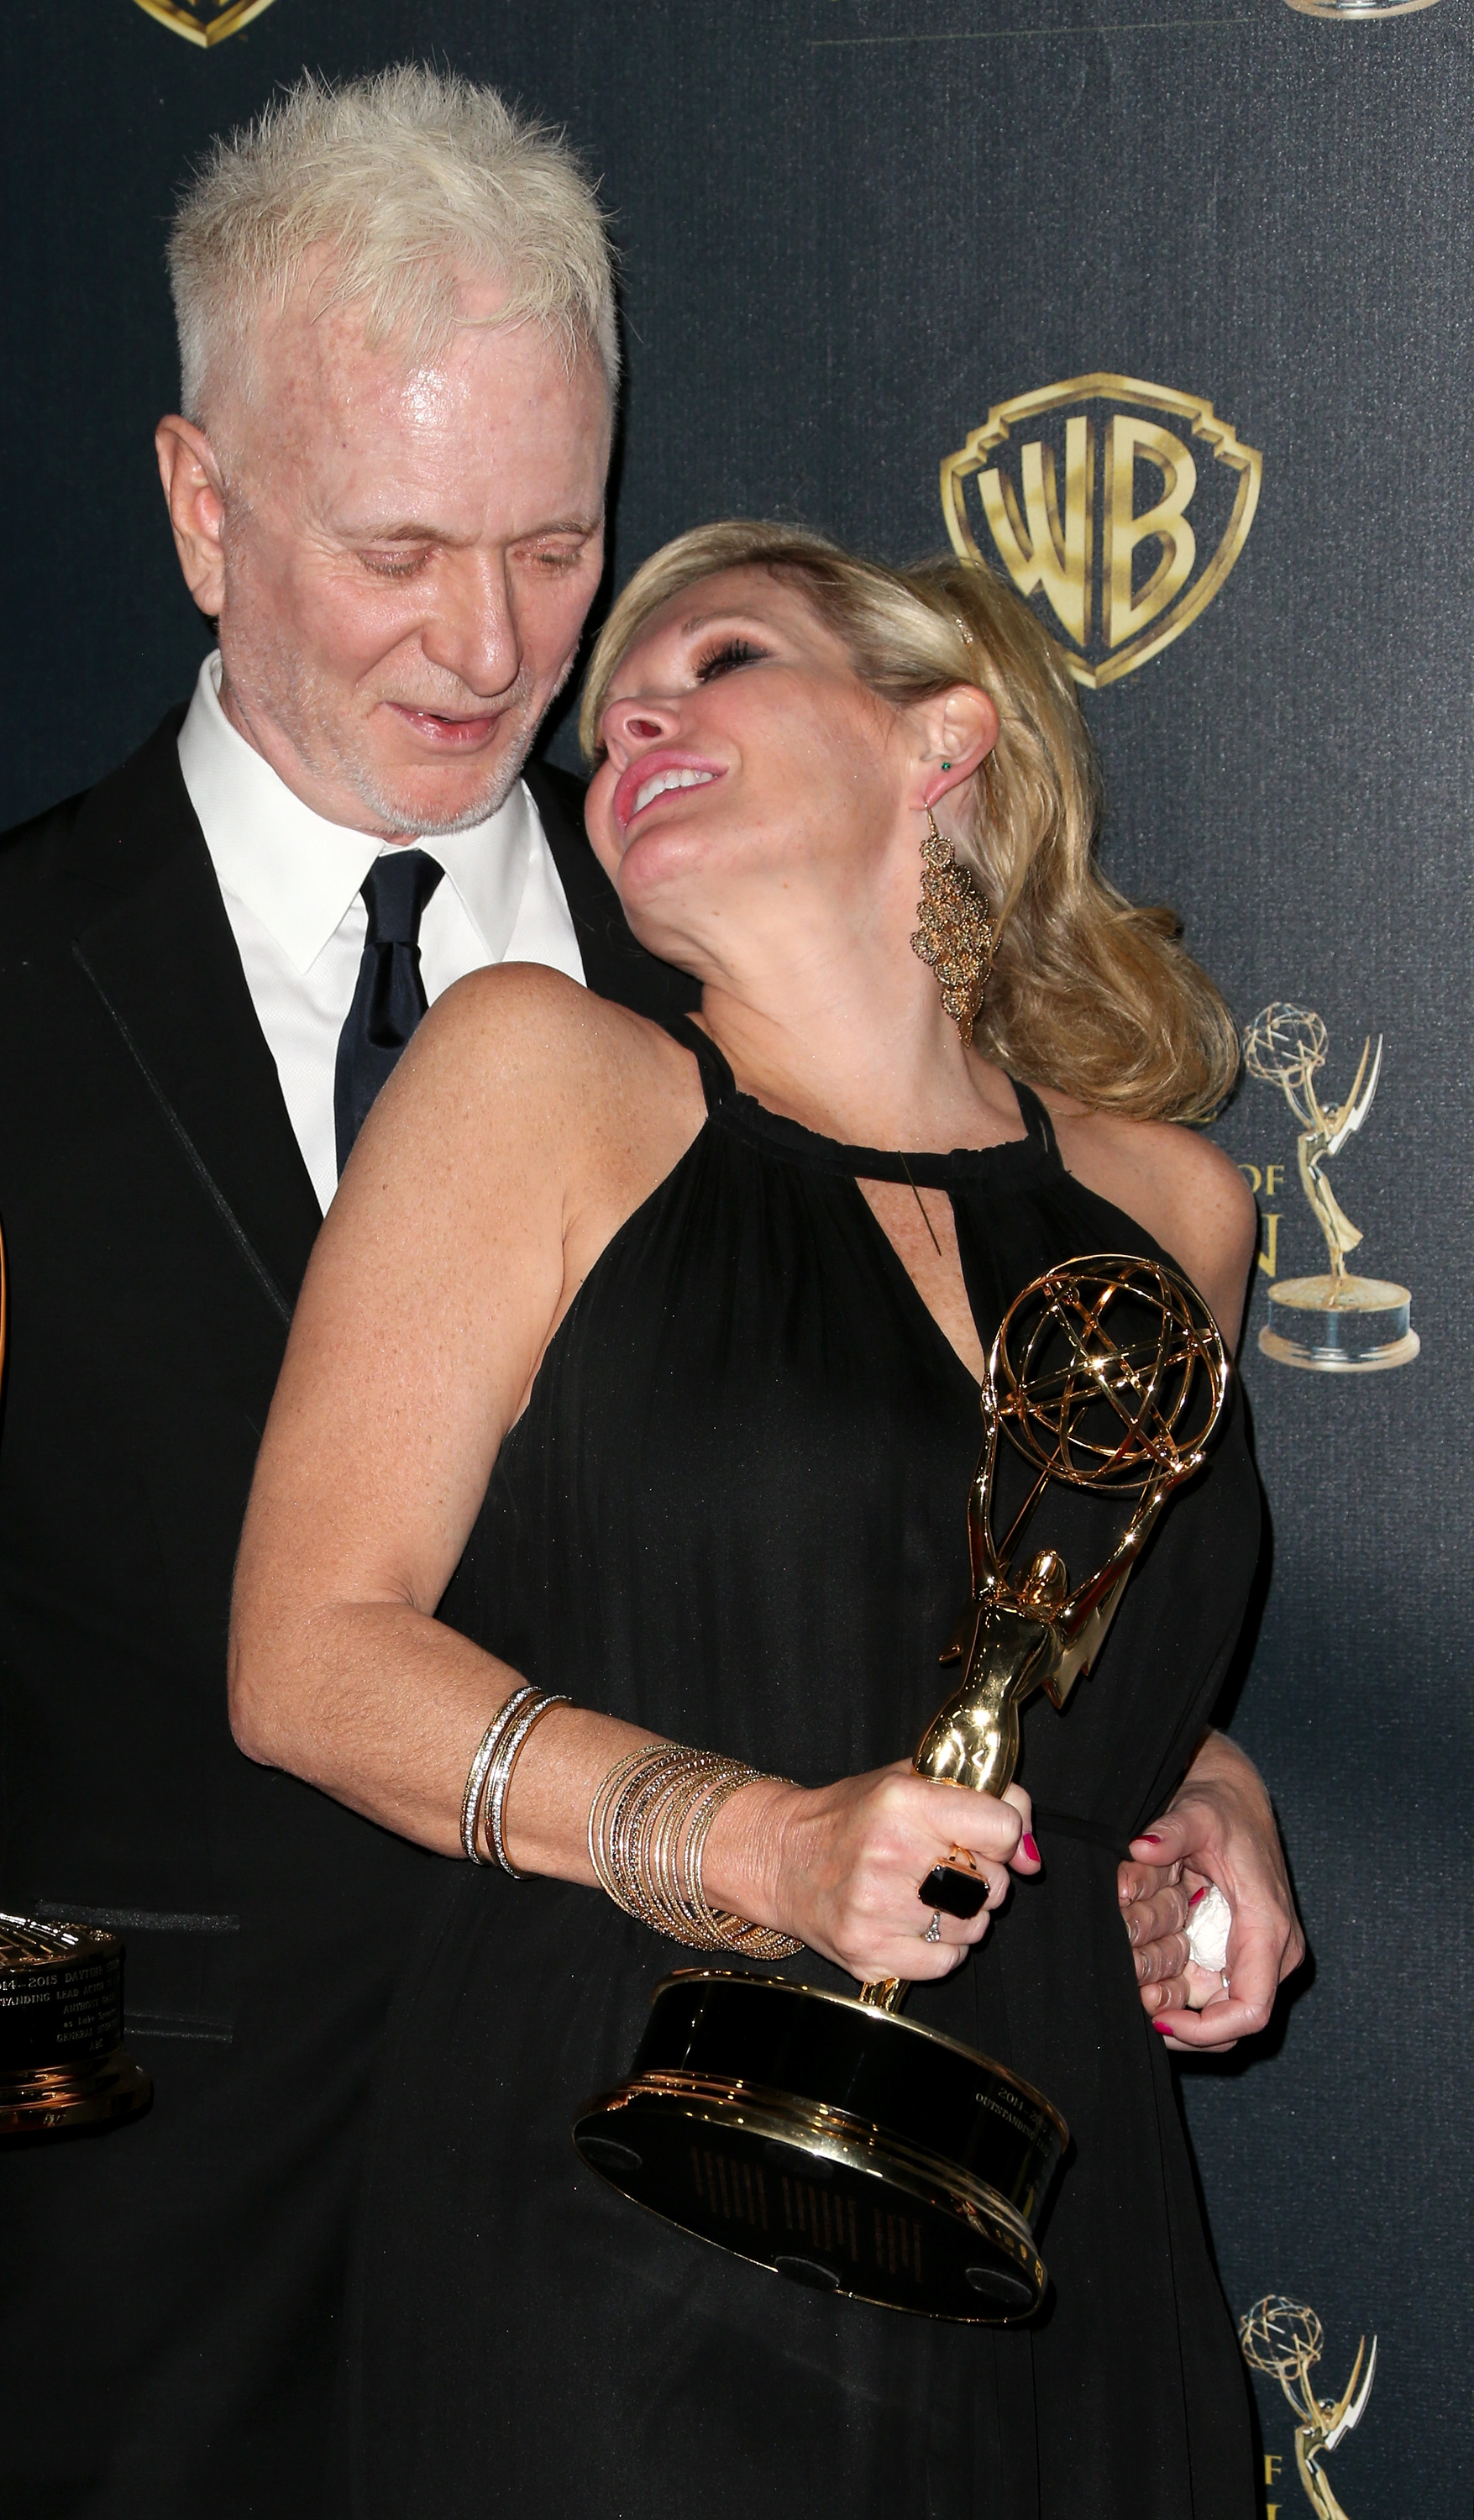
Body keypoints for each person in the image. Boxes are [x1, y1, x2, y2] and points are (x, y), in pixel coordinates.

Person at [0, 71, 695, 2519]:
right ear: (200, 508)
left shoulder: (740, 1006)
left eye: (555, 539)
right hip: (142, 2286)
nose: (491, 639)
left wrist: (1185, 1777)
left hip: (681, 2272)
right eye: (398, 544)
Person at [229, 522, 1306, 2517]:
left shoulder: (1178, 1216)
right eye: (614, 698)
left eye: (716, 658)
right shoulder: (539, 1080)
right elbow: (308, 1662)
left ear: (943, 745)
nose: (628, 709)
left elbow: (998, 1615)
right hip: (630, 2195)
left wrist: (1192, 1785)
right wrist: (764, 1844)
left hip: (1065, 2198)